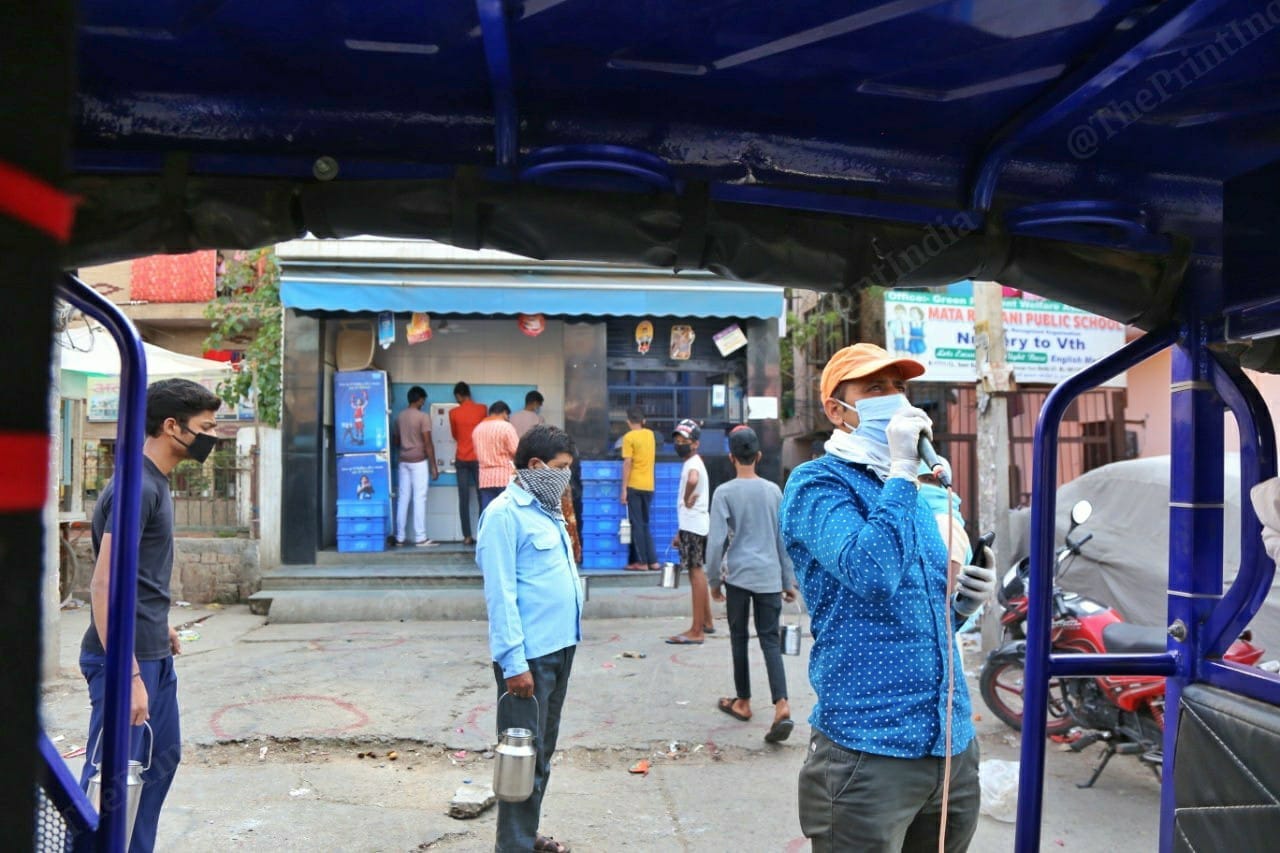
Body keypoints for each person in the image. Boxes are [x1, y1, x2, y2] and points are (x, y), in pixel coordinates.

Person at [780, 342, 996, 853]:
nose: (895, 399)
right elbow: (871, 573)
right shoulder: (818, 486)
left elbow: (915, 612)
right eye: (875, 388)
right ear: (837, 410)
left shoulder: (916, 495)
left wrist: (962, 606)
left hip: (949, 744)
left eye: (899, 386)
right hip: (868, 752)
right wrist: (902, 472)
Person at [79, 378, 222, 852]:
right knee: (113, 779)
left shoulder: (152, 482)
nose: (211, 438)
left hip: (150, 650)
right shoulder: (137, 487)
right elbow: (103, 583)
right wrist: (130, 674)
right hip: (125, 659)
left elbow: (134, 574)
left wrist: (159, 624)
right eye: (205, 428)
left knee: (158, 762)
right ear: (171, 426)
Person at [477, 424, 583, 853]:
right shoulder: (503, 515)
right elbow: (499, 595)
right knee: (521, 757)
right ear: (536, 466)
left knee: (541, 753)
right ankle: (514, 846)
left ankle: (525, 834)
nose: (566, 478)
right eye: (561, 469)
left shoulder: (546, 509)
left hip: (559, 648)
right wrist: (513, 662)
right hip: (528, 659)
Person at [705, 425, 799, 743]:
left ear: (732, 457)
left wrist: (714, 580)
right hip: (770, 577)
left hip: (740, 579)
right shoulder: (774, 491)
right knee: (770, 641)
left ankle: (743, 701)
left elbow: (716, 542)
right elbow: (782, 539)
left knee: (739, 638)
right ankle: (781, 703)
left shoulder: (724, 493)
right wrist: (788, 580)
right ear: (758, 456)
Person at [666, 419, 713, 643]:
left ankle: (696, 631)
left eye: (684, 440)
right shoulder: (695, 461)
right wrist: (679, 532)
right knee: (698, 572)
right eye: (676, 440)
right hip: (693, 526)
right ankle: (707, 622)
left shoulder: (692, 464)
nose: (679, 444)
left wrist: (686, 498)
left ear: (695, 443)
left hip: (693, 527)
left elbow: (693, 480)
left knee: (696, 574)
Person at [391, 385, 439, 547]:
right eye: (423, 400)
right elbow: (428, 443)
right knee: (419, 498)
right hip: (418, 461)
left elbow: (396, 441)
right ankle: (420, 537)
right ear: (419, 400)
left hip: (403, 461)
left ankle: (400, 537)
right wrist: (433, 466)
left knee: (403, 499)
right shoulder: (423, 417)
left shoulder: (399, 417)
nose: (423, 403)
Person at [620, 406, 658, 571]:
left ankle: (642, 562)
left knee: (637, 524)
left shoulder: (628, 437)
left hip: (634, 485)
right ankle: (653, 561)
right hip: (649, 485)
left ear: (628, 422)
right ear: (644, 421)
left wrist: (623, 489)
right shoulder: (650, 435)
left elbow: (627, 463)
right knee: (645, 523)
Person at [450, 381, 488, 545]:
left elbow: (455, 435)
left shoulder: (453, 413)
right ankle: (483, 534)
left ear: (458, 395)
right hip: (478, 458)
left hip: (461, 458)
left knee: (463, 498)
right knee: (482, 497)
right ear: (469, 393)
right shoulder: (482, 409)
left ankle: (467, 536)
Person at [474, 400, 519, 514]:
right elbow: (516, 451)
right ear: (504, 413)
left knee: (489, 514)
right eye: (508, 415)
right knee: (507, 514)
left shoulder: (477, 429)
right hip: (504, 478)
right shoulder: (506, 427)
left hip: (485, 479)